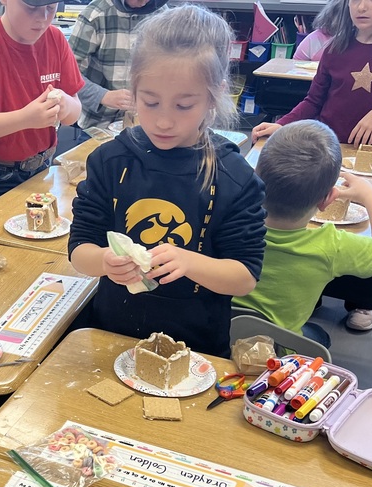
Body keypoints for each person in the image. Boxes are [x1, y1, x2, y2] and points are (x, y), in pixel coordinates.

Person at [69, 3, 266, 358]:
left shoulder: (234, 177)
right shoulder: (110, 161)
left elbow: (245, 276)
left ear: (214, 95)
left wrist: (189, 262)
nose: (163, 121)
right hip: (113, 337)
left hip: (196, 349)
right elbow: (80, 249)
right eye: (150, 102)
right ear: (133, 91)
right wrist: (104, 261)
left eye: (183, 106)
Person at [234, 121, 372, 347]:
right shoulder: (330, 246)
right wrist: (369, 193)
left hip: (211, 340)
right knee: (318, 336)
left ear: (255, 179)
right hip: (275, 356)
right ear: (328, 200)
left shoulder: (228, 221)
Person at [252, 0, 372, 149]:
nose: (361, 7)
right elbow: (314, 101)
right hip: (328, 148)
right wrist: (281, 125)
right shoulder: (335, 47)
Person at [0, 0, 85, 208]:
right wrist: (26, 118)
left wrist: (66, 106)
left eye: (50, 8)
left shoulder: (56, 40)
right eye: (31, 7)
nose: (42, 18)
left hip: (43, 166)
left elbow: (74, 112)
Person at [69, 0, 161, 129]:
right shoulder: (95, 15)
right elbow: (67, 73)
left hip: (147, 123)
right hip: (99, 124)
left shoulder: (162, 17)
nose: (144, 1)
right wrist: (102, 96)